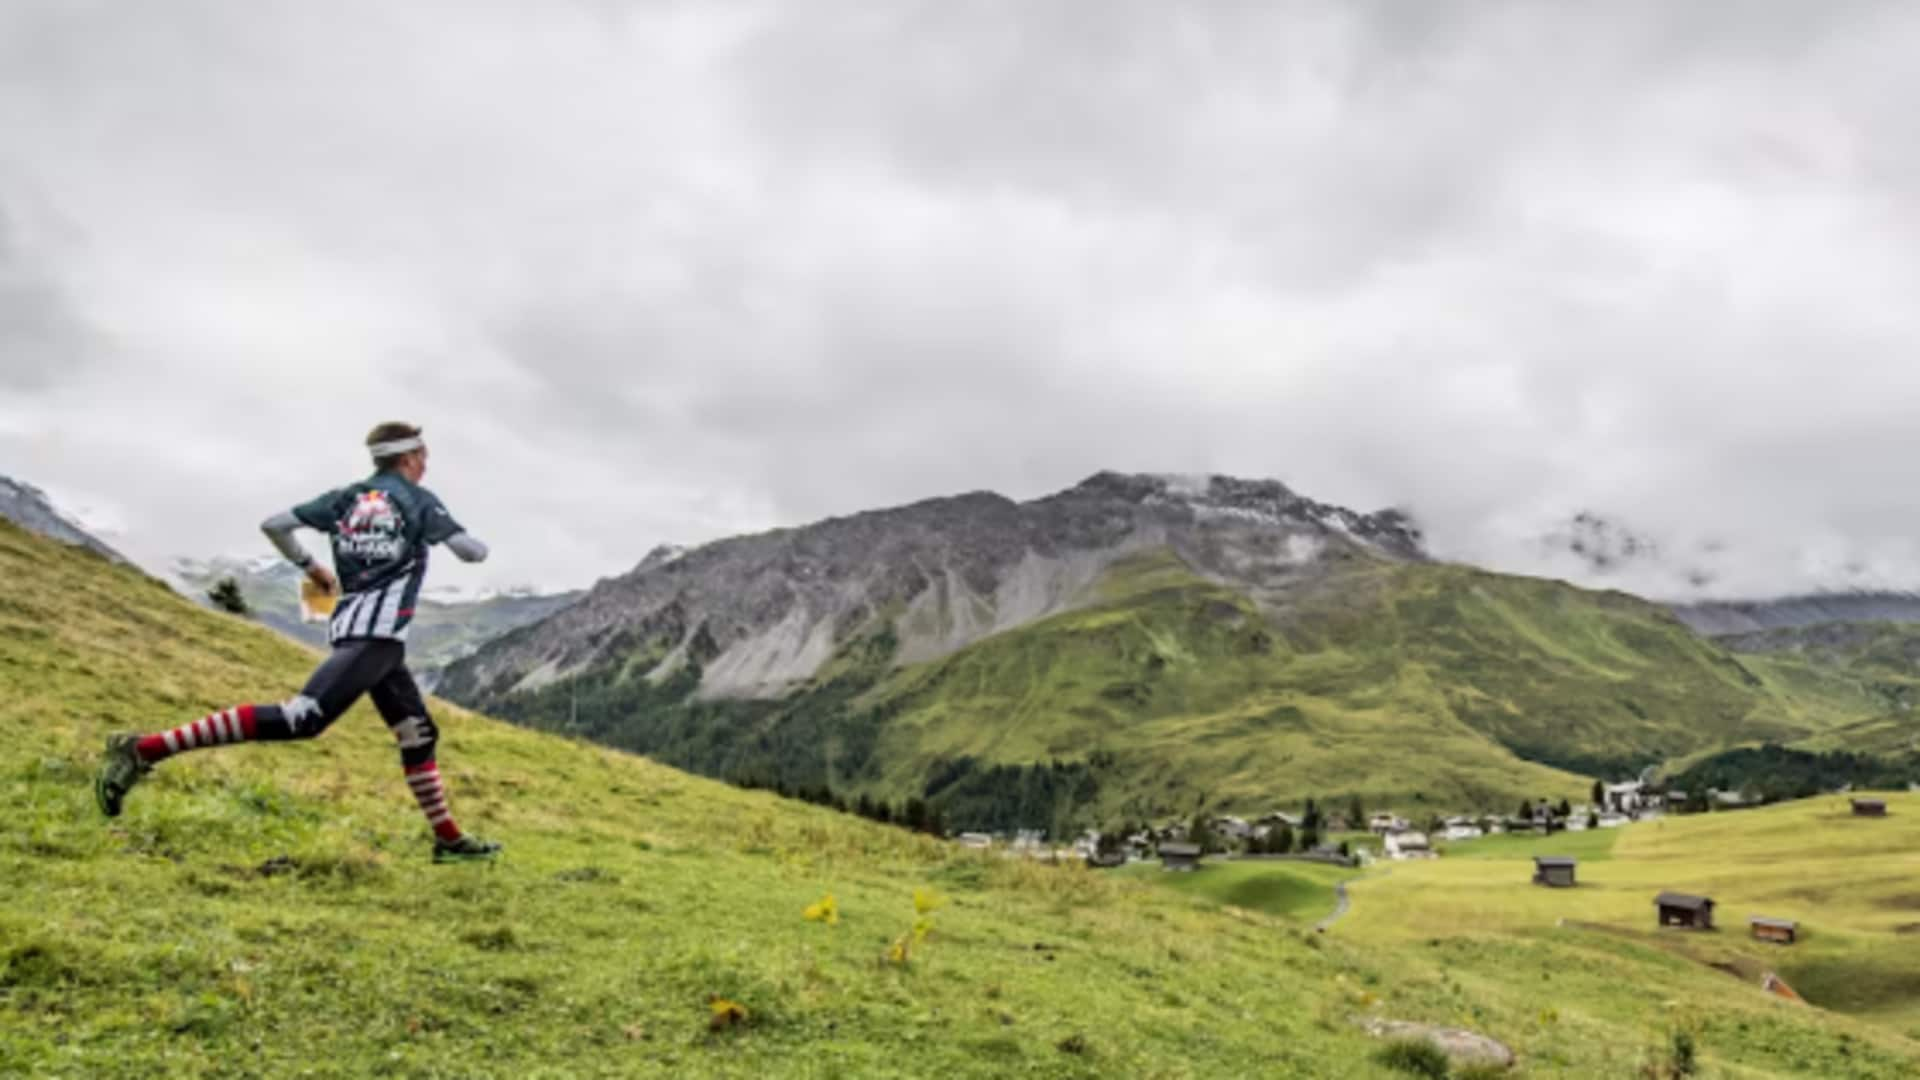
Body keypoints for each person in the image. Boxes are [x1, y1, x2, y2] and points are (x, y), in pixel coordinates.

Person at [95, 422, 502, 864]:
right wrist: (473, 543)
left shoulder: (345, 499)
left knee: (417, 732)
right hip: (377, 637)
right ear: (407, 458)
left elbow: (274, 525)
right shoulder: (418, 501)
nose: (426, 463)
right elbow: (470, 552)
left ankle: (448, 840)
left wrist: (311, 566)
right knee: (301, 718)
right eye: (423, 455)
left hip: (359, 632)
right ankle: (142, 750)